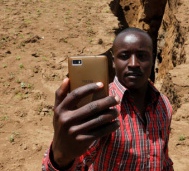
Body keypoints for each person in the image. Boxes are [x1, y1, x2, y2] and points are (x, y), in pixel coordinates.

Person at [42, 27, 174, 170]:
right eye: (124, 56)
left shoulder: (163, 105)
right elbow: (78, 162)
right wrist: (60, 158)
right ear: (113, 61)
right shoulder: (101, 107)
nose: (134, 63)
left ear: (152, 58)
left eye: (142, 56)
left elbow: (164, 159)